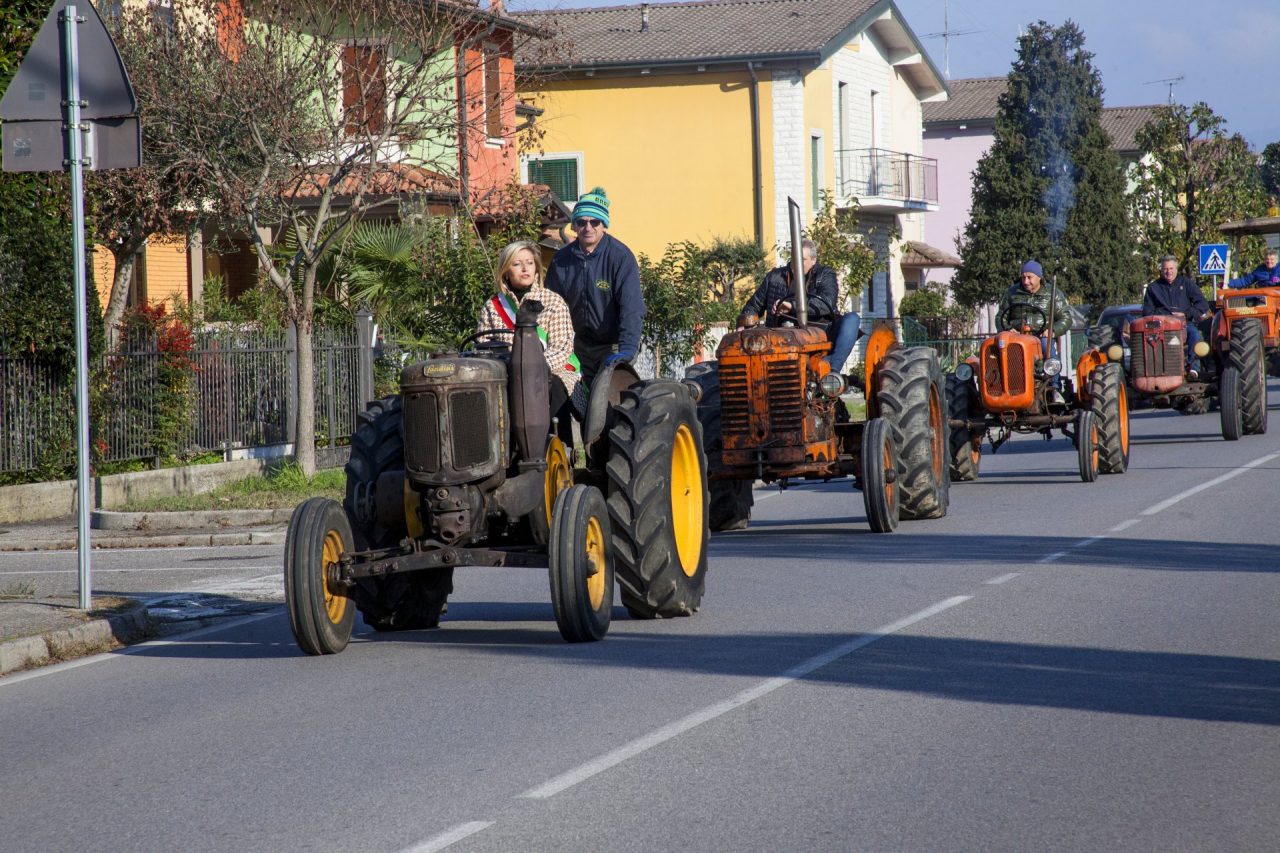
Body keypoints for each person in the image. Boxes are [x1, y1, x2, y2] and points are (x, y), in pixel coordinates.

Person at [544, 187, 645, 390]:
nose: (588, 228)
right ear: (574, 226)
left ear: (604, 225)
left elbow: (632, 308)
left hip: (611, 348)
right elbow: (550, 305)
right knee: (572, 400)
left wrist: (626, 350)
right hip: (574, 347)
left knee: (606, 403)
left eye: (595, 222)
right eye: (582, 222)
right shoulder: (561, 260)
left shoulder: (620, 257)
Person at [477, 241, 580, 439]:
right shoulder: (493, 306)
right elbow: (483, 346)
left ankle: (559, 447)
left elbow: (562, 348)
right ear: (506, 271)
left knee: (553, 386)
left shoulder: (553, 302)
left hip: (551, 371)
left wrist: (531, 368)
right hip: (505, 373)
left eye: (530, 263)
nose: (525, 269)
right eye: (517, 264)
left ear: (536, 268)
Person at [737, 239, 862, 373]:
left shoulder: (825, 275)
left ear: (813, 260)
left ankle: (832, 373)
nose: (797, 263)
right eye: (794, 258)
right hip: (781, 337)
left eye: (802, 259)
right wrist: (744, 323)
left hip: (822, 334)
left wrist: (792, 306)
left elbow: (827, 302)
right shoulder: (774, 277)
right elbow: (753, 305)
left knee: (852, 319)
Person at [1142, 255, 1210, 377]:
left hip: (1184, 324)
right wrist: (1165, 316)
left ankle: (1193, 367)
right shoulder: (1153, 288)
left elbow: (1202, 304)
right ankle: (1154, 369)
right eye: (1165, 269)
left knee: (1194, 335)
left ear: (1176, 269)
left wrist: (1186, 314)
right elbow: (1147, 311)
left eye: (1171, 268)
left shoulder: (1187, 284)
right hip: (1160, 326)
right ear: (1161, 270)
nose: (1168, 272)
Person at [997, 260, 1072, 338]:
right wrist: (1008, 329)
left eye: (1029, 277)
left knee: (1044, 344)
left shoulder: (1053, 293)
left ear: (1039, 277)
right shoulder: (1011, 292)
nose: (1026, 282)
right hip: (1016, 337)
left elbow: (1066, 318)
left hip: (1042, 337)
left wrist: (1052, 331)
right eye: (1023, 277)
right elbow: (1000, 317)